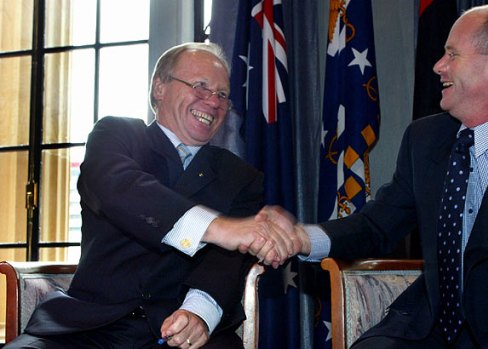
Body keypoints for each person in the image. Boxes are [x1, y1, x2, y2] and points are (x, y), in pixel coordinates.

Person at [256, 4, 488, 349]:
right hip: (426, 329)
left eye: (452, 54)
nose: (438, 66)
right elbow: (375, 228)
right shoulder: (425, 140)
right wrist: (303, 238)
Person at [6, 42, 292, 349]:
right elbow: (122, 190)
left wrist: (198, 313)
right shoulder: (116, 135)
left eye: (222, 94)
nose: (213, 101)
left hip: (180, 330)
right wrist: (218, 228)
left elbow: (226, 262)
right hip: (88, 328)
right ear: (159, 87)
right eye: (200, 86)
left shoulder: (240, 177)